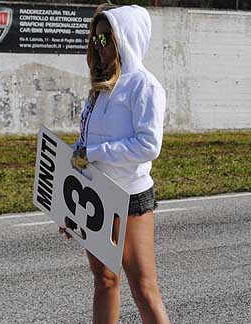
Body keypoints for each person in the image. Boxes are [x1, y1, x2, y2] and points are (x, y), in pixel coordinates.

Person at [58, 4, 170, 324]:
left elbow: (148, 146)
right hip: (96, 194)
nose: (99, 46)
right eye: (95, 39)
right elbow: (84, 144)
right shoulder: (101, 87)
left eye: (106, 38)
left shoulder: (145, 87)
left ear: (126, 39)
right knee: (105, 281)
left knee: (144, 289)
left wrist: (96, 152)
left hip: (130, 197)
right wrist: (68, 204)